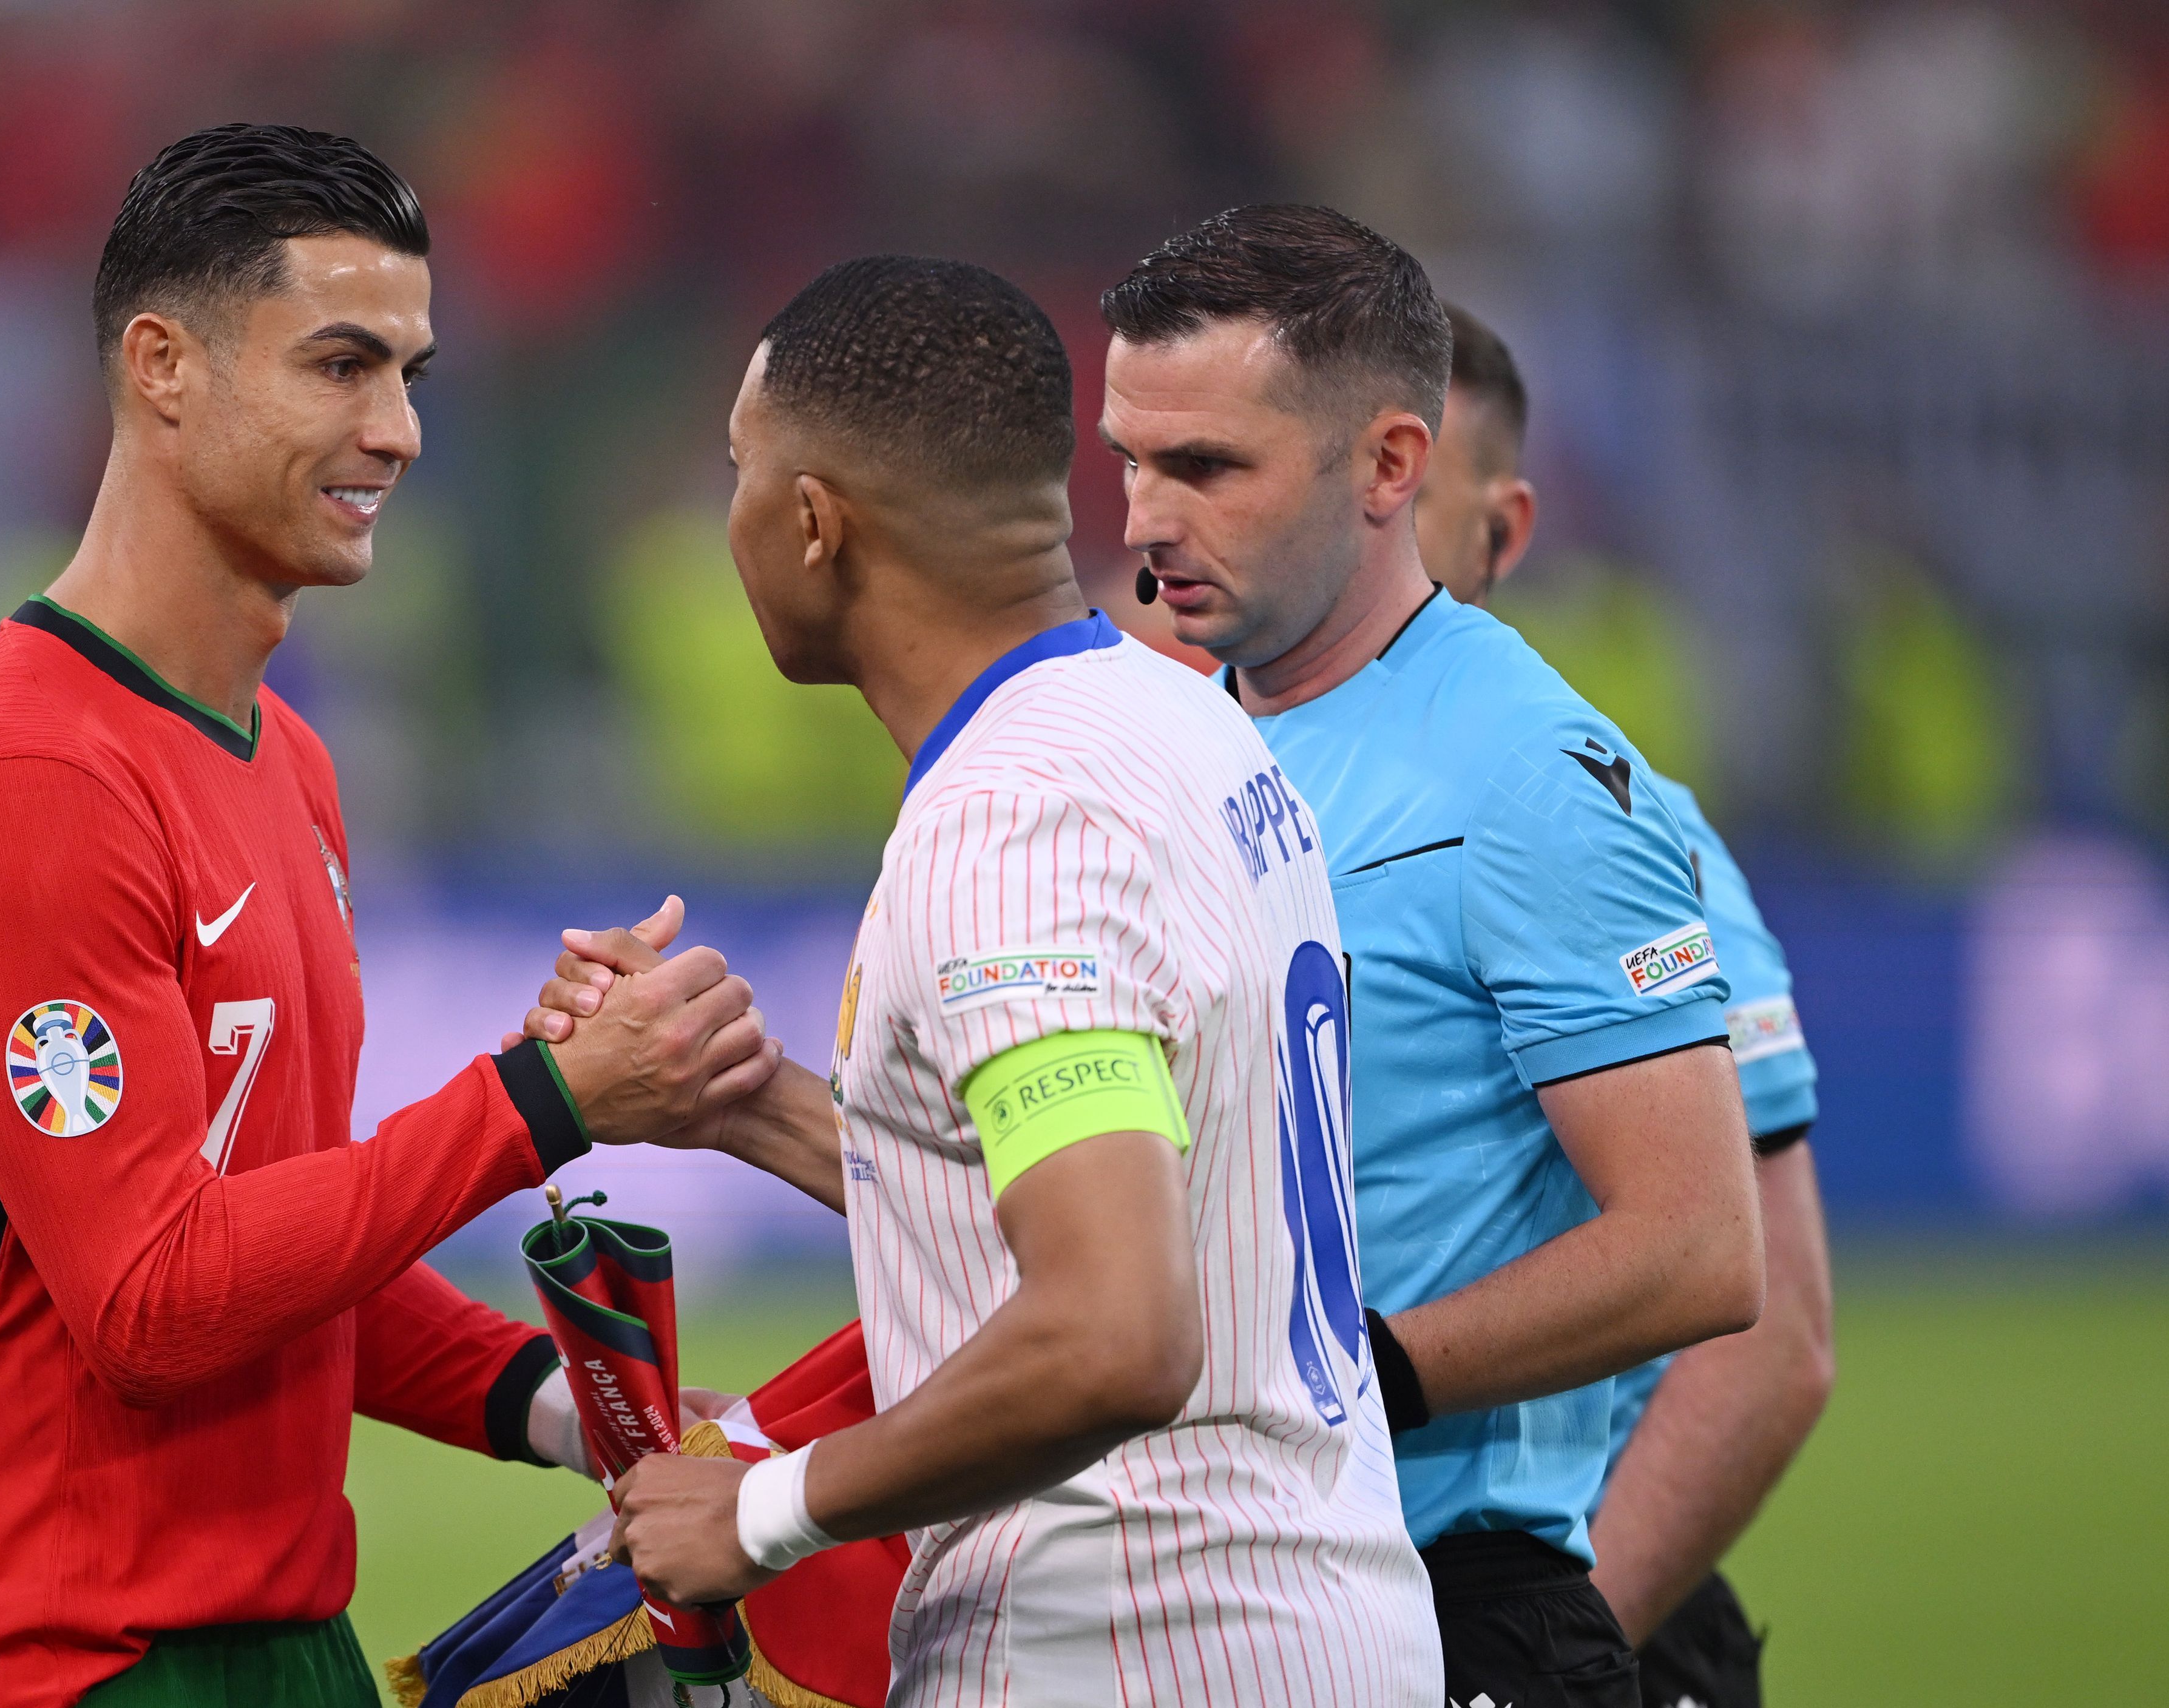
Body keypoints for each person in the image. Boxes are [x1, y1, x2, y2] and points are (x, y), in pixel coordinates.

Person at [0, 124, 774, 1708]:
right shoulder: (19, 777)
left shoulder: (293, 767)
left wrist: (578, 1413)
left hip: (286, 1646)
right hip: (59, 1664)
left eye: (407, 373)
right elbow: (151, 1299)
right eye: (340, 366)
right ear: (162, 368)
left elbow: (277, 1264)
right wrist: (536, 1104)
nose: (395, 431)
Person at [528, 255, 1440, 1706]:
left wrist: (765, 1510)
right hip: (1315, 1613)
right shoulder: (1173, 718)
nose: (731, 518)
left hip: (1132, 1646)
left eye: (739, 474)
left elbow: (1117, 1328)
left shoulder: (1011, 825)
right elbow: (1130, 1201)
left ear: (816, 522)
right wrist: (749, 1101)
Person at [1098, 204, 1768, 1707]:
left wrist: (1345, 1381)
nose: (1144, 518)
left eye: (1207, 466)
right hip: (1199, 1599)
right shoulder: (1171, 738)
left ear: (1391, 466)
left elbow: (1700, 1243)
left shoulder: (1524, 775)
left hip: (1437, 1604)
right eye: (1131, 459)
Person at [1419, 303, 1835, 1708]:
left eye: (1410, 491)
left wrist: (1560, 1647)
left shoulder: (1599, 823)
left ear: (1503, 528)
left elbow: (1771, 1336)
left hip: (1547, 1615)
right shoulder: (1247, 810)